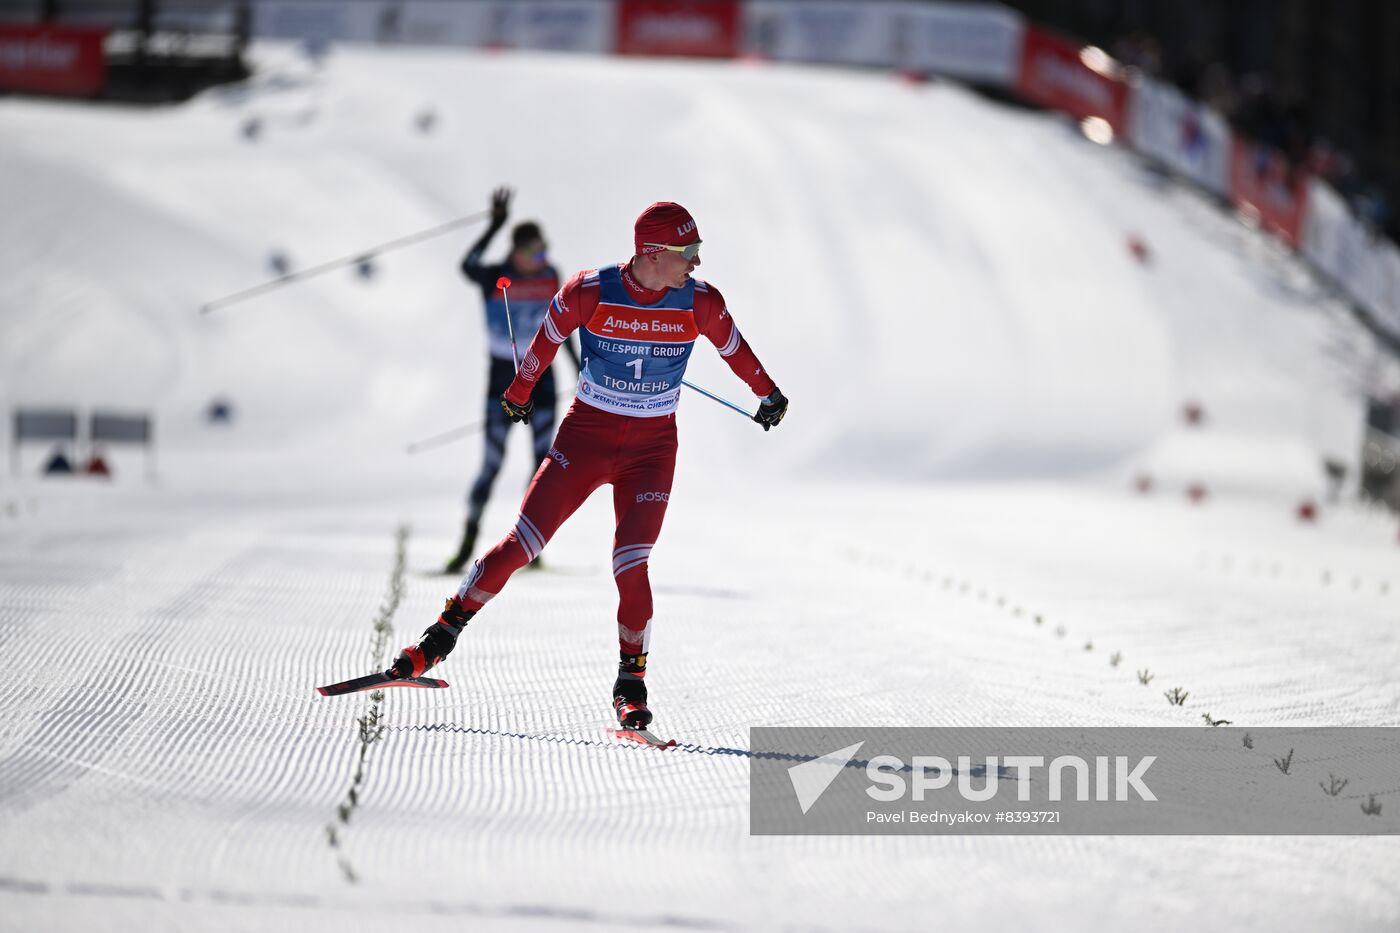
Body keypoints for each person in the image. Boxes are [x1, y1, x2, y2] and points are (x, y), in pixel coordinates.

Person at [392, 202, 789, 731]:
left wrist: (768, 394)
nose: (696, 261)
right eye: (687, 252)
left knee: (631, 564)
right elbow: (549, 336)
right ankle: (438, 638)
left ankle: (631, 685)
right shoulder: (589, 290)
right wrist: (519, 391)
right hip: (585, 438)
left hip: (651, 452)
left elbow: (735, 350)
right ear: (652, 252)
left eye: (697, 251)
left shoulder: (701, 302)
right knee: (522, 544)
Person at [445, 186, 580, 575]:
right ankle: (465, 546)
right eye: (534, 252)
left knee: (542, 466)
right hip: (502, 381)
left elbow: (563, 326)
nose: (542, 258)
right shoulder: (494, 276)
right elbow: (466, 265)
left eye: (544, 249)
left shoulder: (551, 274)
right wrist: (494, 226)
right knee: (491, 464)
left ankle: (530, 550)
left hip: (543, 379)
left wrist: (579, 368)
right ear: (516, 252)